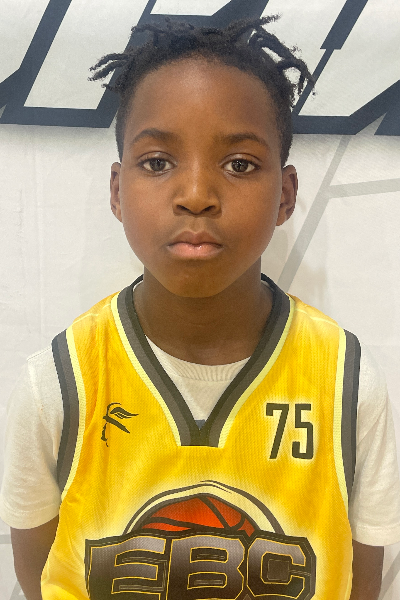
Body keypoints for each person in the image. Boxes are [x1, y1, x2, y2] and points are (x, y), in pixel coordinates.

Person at [1, 16, 400, 600]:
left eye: (239, 164)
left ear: (286, 194)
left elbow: (362, 581)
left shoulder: (346, 381)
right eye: (157, 162)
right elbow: (38, 575)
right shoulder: (60, 382)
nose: (195, 195)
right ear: (118, 190)